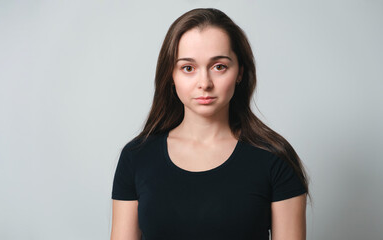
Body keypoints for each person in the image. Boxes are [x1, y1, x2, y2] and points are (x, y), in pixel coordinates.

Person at [110, 8, 310, 240]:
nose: (204, 83)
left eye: (219, 66)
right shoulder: (136, 157)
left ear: (240, 73)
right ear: (171, 76)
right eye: (188, 68)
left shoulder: (275, 158)